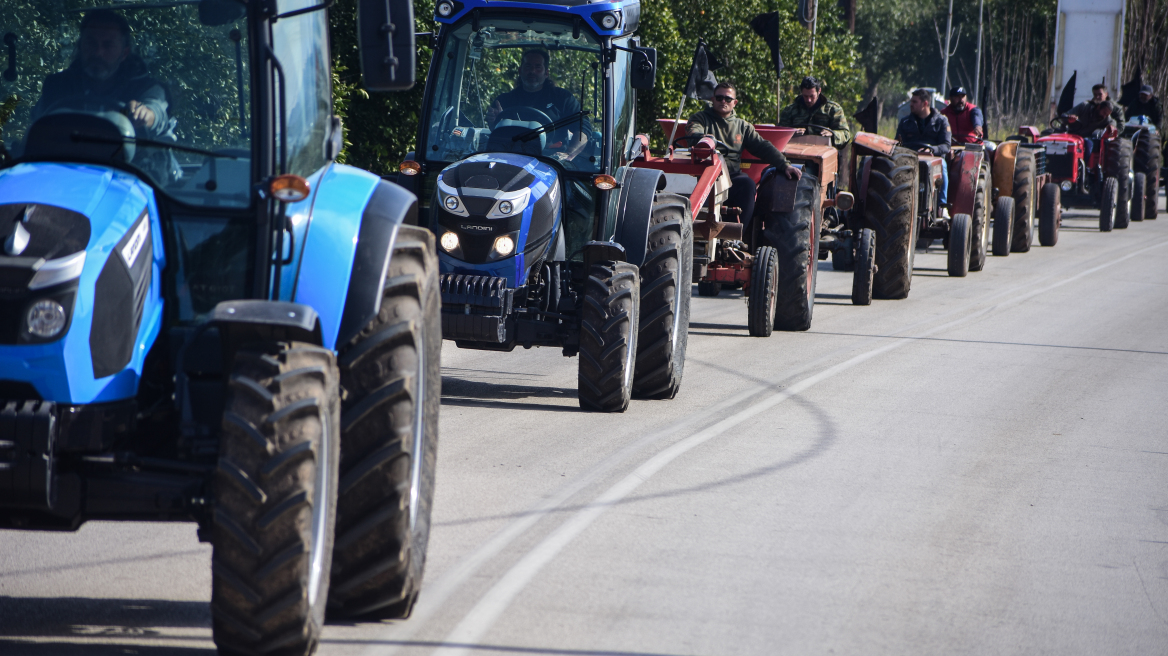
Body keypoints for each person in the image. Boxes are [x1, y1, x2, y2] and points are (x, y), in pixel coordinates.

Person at [30, 9, 169, 138]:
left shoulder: (146, 88)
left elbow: (155, 112)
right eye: (91, 43)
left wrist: (144, 114)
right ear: (80, 46)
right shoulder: (57, 86)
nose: (98, 53)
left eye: (108, 45)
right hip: (67, 162)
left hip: (130, 164)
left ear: (124, 53)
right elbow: (38, 127)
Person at [686, 81, 801, 225]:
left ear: (735, 102)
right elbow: (694, 132)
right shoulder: (700, 118)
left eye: (728, 99)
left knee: (747, 185)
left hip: (730, 176)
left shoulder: (743, 126)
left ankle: (735, 236)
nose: (723, 101)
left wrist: (785, 165)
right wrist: (702, 139)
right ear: (712, 99)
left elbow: (762, 146)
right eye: (719, 97)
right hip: (701, 174)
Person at [487, 49, 589, 163]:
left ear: (546, 73)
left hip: (553, 162)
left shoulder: (563, 98)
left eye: (538, 67)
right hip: (510, 159)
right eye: (528, 66)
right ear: (520, 71)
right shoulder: (503, 101)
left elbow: (583, 129)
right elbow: (495, 135)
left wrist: (568, 155)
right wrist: (495, 123)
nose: (532, 71)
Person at [896, 88, 952, 209]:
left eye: (914, 102)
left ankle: (942, 205)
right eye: (911, 101)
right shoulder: (905, 122)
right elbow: (898, 143)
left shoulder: (941, 121)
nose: (911, 104)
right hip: (910, 157)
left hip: (934, 159)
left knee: (942, 165)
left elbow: (946, 146)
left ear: (925, 103)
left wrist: (931, 150)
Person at [779, 76, 852, 147]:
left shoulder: (832, 110)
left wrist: (833, 134)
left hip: (825, 153)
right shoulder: (790, 110)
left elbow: (845, 134)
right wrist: (792, 132)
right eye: (805, 96)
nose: (808, 100)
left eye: (812, 96)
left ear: (819, 91)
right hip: (795, 152)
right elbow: (779, 133)